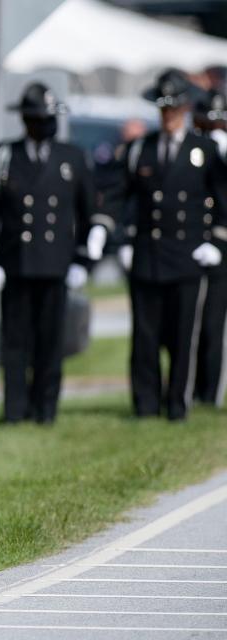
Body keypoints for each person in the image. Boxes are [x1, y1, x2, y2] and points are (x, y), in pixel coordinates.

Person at [105, 68, 227, 421]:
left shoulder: (204, 150)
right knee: (145, 336)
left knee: (181, 336)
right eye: (163, 109)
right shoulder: (139, 149)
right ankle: (145, 404)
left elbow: (222, 201)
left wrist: (216, 240)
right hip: (148, 253)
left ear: (186, 109)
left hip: (188, 254)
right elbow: (120, 196)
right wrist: (119, 236)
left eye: (173, 108)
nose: (168, 115)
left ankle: (178, 403)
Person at [0, 82, 100, 424]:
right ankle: (15, 410)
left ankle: (45, 410)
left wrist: (83, 260)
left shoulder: (71, 157)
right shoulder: (4, 156)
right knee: (16, 342)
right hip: (16, 262)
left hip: (55, 264)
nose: (43, 125)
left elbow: (89, 212)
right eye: (37, 119)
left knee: (50, 342)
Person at [192, 88, 227, 406]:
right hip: (194, 244)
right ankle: (195, 389)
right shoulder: (193, 151)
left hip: (221, 244)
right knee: (198, 324)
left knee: (214, 324)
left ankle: (210, 391)